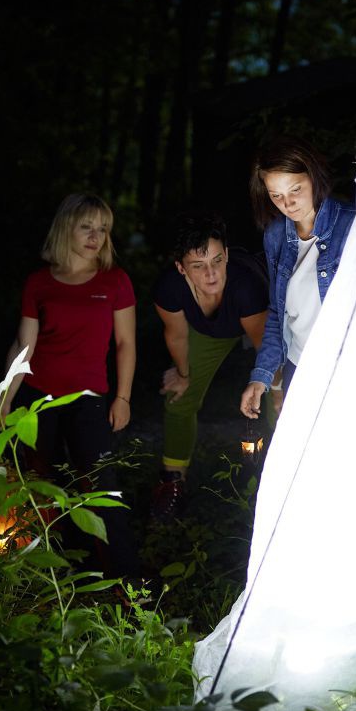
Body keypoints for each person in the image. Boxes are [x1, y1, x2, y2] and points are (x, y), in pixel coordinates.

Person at [0, 193, 138, 576]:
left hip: (90, 400)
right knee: (42, 487)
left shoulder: (115, 281)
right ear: (66, 228)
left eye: (103, 229)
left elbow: (126, 344)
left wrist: (122, 397)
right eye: (86, 227)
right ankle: (47, 576)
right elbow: (24, 346)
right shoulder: (39, 283)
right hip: (38, 400)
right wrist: (4, 402)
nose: (96, 236)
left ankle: (122, 580)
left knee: (100, 488)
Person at [153, 213, 270, 514]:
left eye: (218, 261)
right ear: (181, 268)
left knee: (278, 397)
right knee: (179, 396)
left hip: (260, 321)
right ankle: (173, 480)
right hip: (209, 332)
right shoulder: (170, 288)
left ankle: (273, 477)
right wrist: (183, 374)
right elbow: (177, 336)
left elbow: (267, 349)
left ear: (227, 255)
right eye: (198, 266)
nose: (212, 274)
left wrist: (274, 387)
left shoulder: (246, 288)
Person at [239, 136, 356, 420]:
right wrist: (262, 376)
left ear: (313, 176)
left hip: (348, 369)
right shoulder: (276, 236)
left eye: (295, 189)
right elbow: (278, 313)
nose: (288, 203)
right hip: (298, 367)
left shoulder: (353, 224)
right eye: (276, 195)